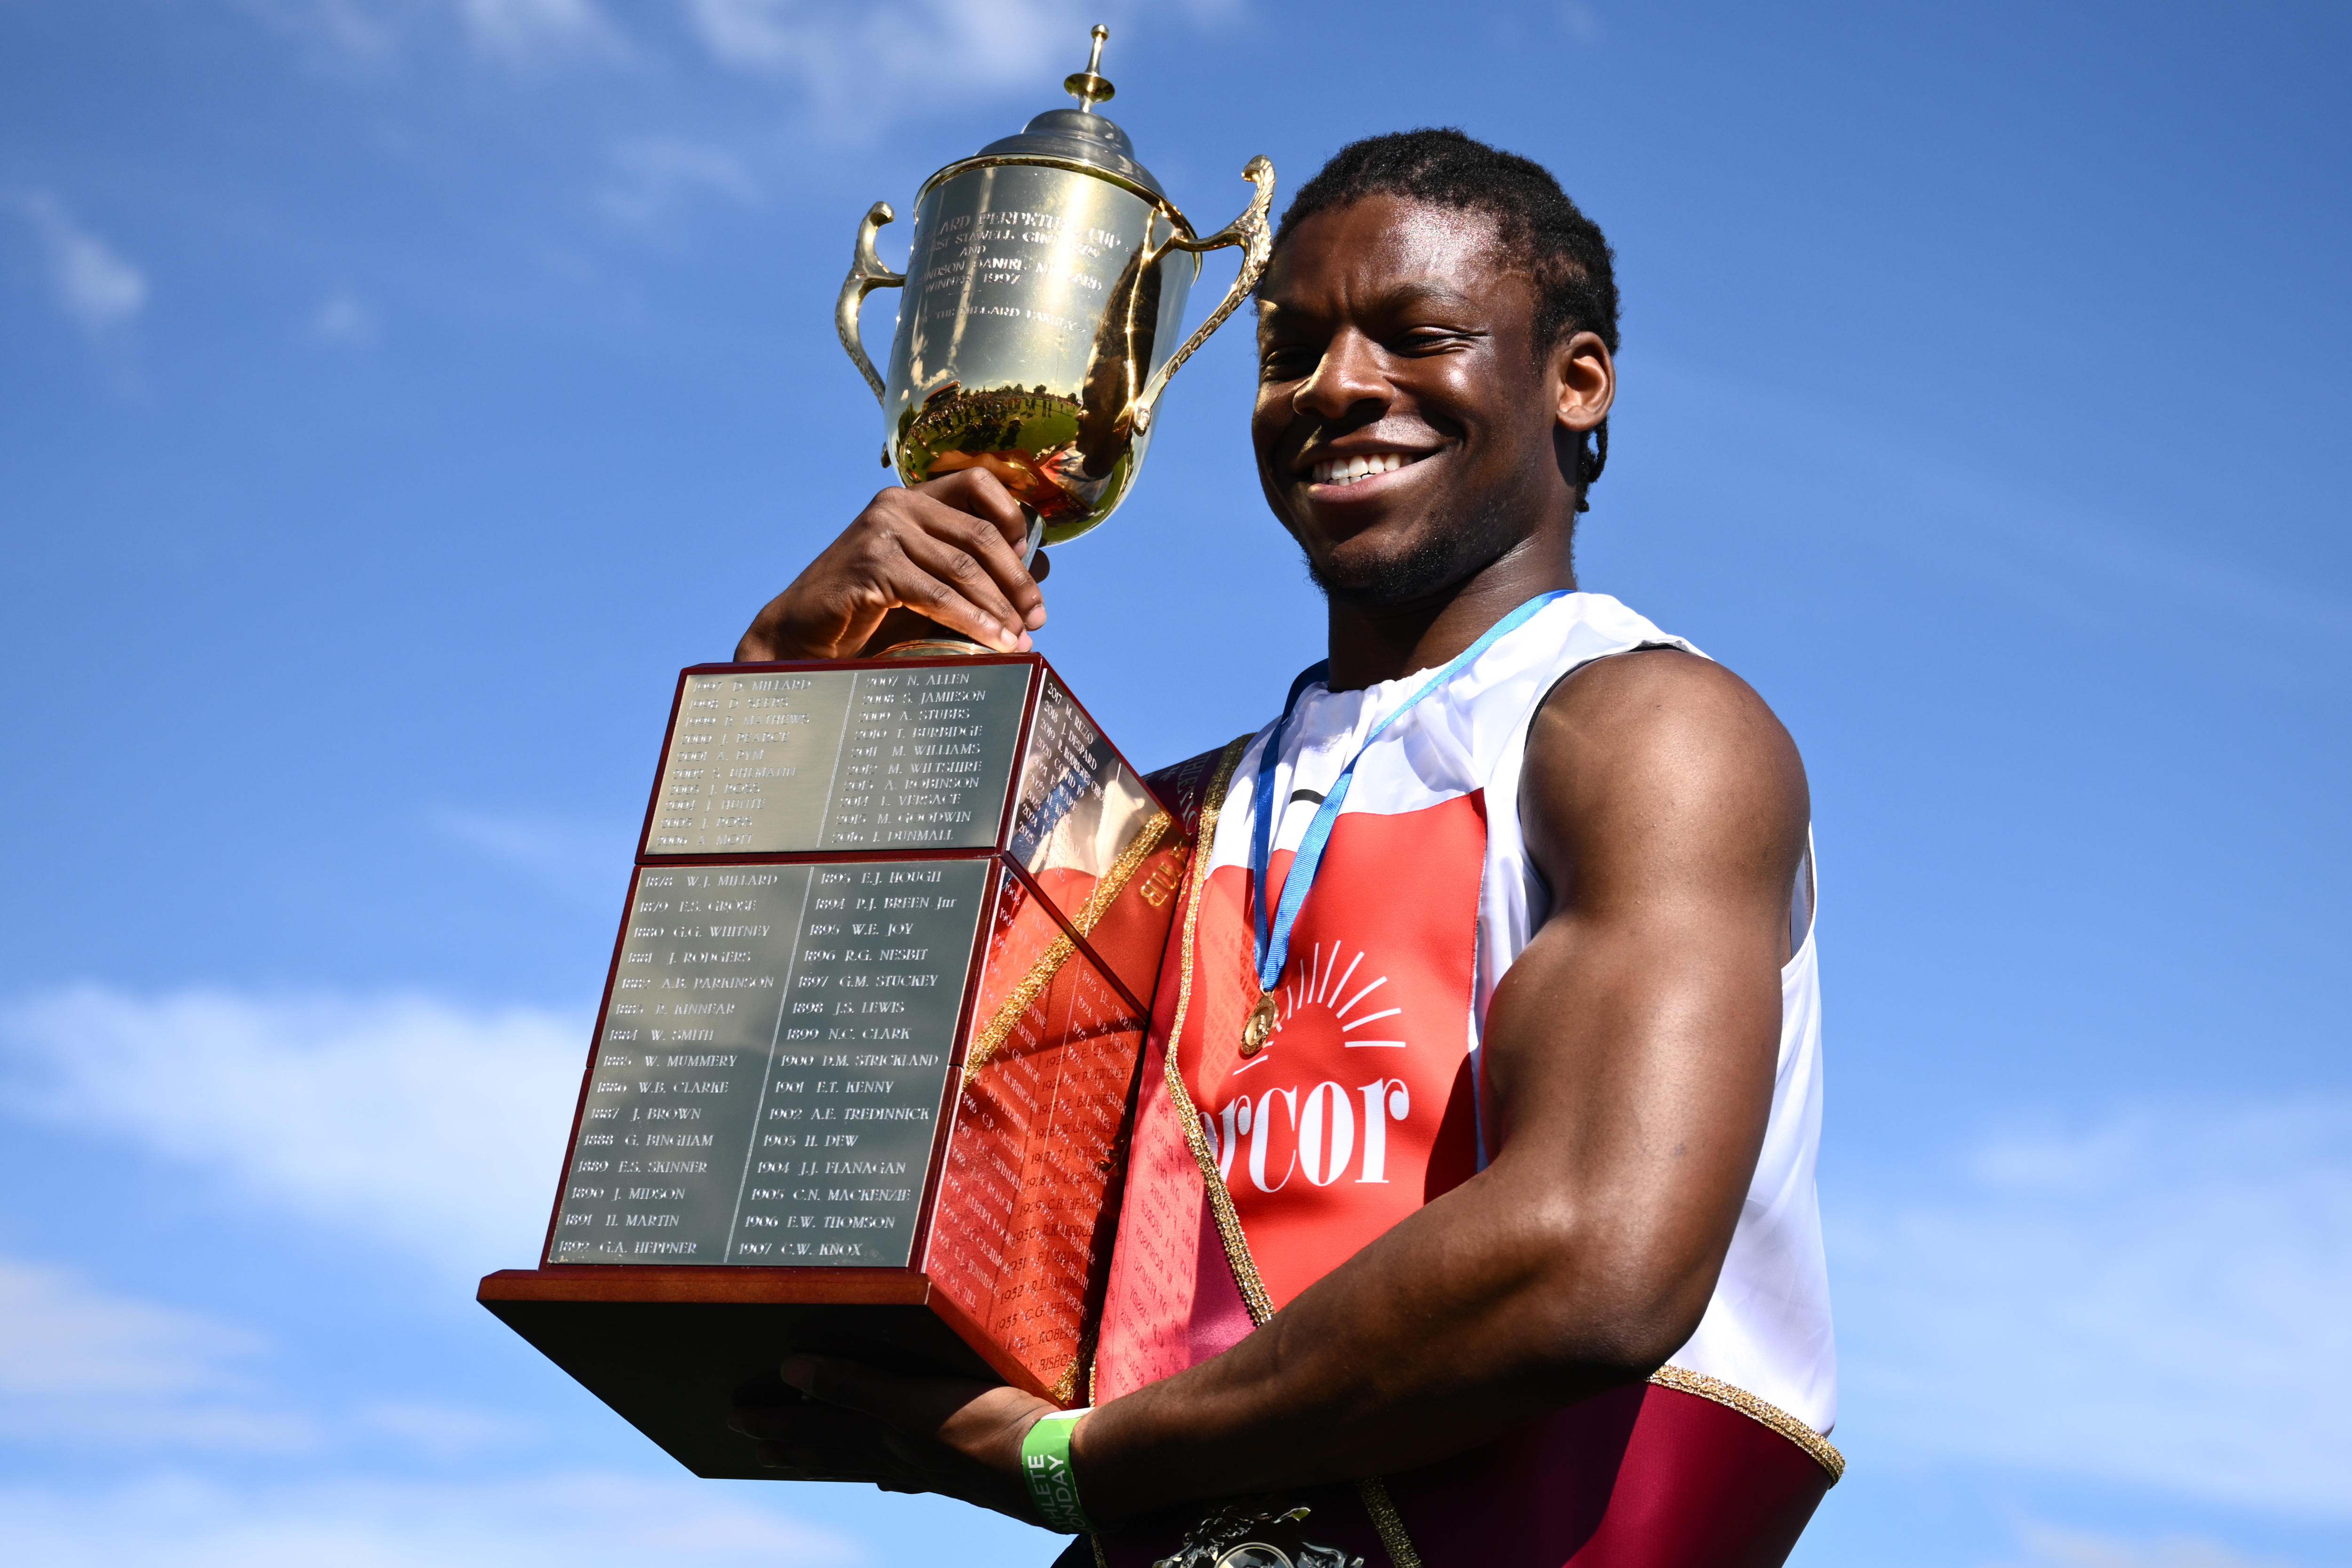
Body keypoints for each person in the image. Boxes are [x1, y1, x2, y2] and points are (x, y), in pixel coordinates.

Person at [729, 129, 1838, 1568]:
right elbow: (806, 1106)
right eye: (1290, 350)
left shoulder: (1648, 731)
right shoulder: (1165, 828)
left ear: (1578, 382)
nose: (1336, 386)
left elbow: (1595, 1257)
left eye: (1417, 336)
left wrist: (1084, 1461)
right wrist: (802, 684)